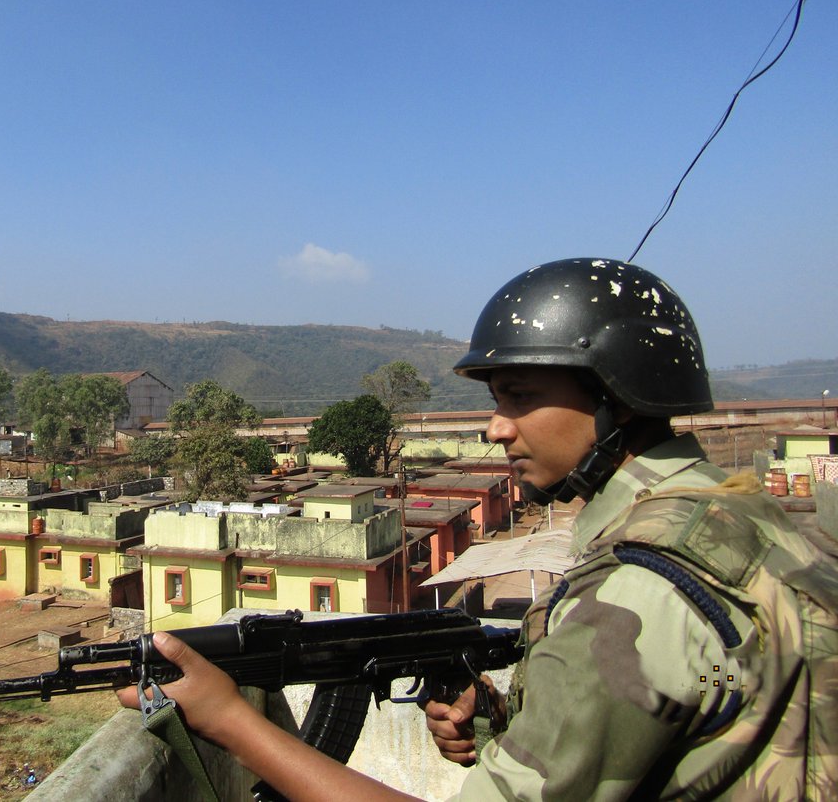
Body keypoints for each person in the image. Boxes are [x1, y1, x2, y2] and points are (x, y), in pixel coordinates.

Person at [119, 258, 838, 800]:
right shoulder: (739, 516)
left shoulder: (638, 592)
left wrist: (230, 720)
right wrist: (505, 718)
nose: (496, 428)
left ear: (619, 400)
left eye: (520, 398)